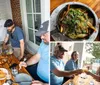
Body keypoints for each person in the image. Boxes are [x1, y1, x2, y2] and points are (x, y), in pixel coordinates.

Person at [19, 20, 50, 85]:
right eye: (41, 35)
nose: (41, 37)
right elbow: (37, 56)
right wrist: (26, 63)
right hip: (36, 72)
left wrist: (43, 84)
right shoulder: (44, 43)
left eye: (44, 34)